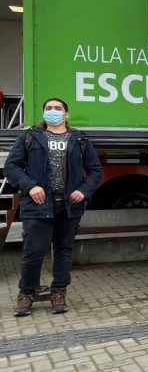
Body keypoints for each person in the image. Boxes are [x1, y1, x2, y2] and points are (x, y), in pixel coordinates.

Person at [4, 98, 102, 316]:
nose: (53, 111)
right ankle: (26, 293)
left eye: (58, 108)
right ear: (43, 113)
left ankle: (59, 291)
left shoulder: (79, 139)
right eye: (48, 108)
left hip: (69, 205)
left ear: (66, 115)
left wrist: (83, 191)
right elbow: (12, 167)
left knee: (64, 250)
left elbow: (95, 170)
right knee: (33, 250)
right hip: (38, 204)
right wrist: (30, 186)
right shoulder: (30, 136)